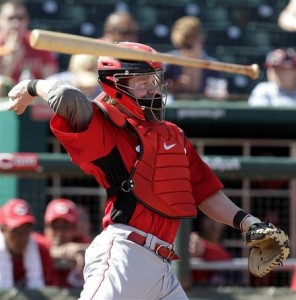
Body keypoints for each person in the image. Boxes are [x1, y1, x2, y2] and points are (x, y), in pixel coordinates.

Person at [7, 41, 287, 299]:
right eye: (142, 82)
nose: (152, 89)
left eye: (153, 80)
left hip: (162, 265)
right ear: (117, 85)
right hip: (124, 254)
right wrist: (33, 86)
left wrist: (248, 223)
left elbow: (205, 192)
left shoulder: (173, 134)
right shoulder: (108, 126)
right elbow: (68, 98)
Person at [165, 16, 228, 101]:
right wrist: (174, 87)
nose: (185, 51)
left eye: (188, 46)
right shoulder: (168, 64)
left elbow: (221, 95)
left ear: (200, 40)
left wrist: (215, 94)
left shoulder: (213, 66)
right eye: (182, 45)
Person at [0, 198, 54, 288]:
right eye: (16, 231)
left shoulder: (41, 248)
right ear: (2, 230)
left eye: (26, 231)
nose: (22, 237)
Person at [0, 0, 58, 82]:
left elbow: (51, 79)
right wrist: (11, 58)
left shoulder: (37, 42)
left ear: (27, 20)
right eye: (11, 18)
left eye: (21, 18)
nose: (16, 24)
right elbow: (2, 84)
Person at [43, 198, 90, 288]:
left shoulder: (81, 242)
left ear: (74, 229)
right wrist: (63, 251)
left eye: (65, 227)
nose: (59, 233)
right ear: (46, 227)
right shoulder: (38, 244)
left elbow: (107, 250)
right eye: (55, 226)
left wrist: (84, 250)